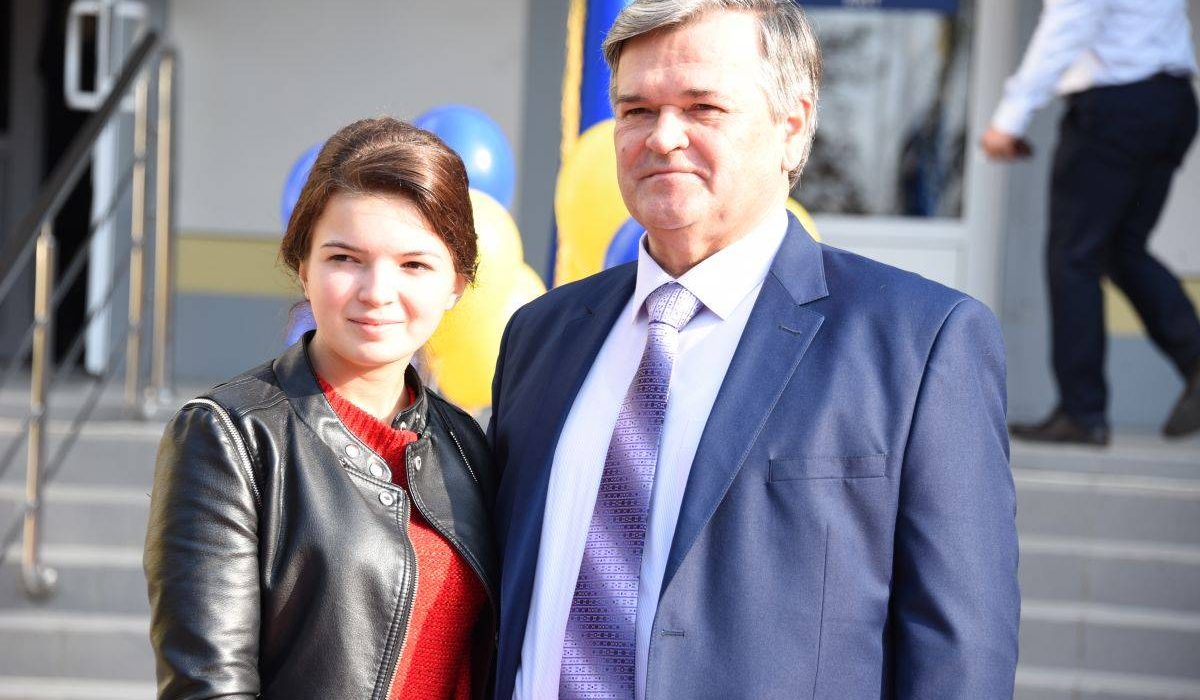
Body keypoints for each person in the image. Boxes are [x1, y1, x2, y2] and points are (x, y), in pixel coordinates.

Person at [488, 1, 1019, 698]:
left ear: (792, 127)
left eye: (703, 107)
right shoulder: (542, 336)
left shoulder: (920, 344)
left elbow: (960, 655)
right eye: (636, 110)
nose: (663, 137)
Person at [144, 117, 498, 699]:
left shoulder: (467, 446)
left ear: (456, 283)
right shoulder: (230, 437)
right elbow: (208, 684)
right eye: (345, 258)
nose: (376, 292)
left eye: (413, 264)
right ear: (304, 267)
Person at [983, 0, 1200, 443]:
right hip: (1170, 103)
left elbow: (1068, 22)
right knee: (1121, 249)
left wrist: (1010, 117)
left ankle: (1082, 413)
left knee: (1073, 257)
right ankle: (1193, 359)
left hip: (1117, 105)